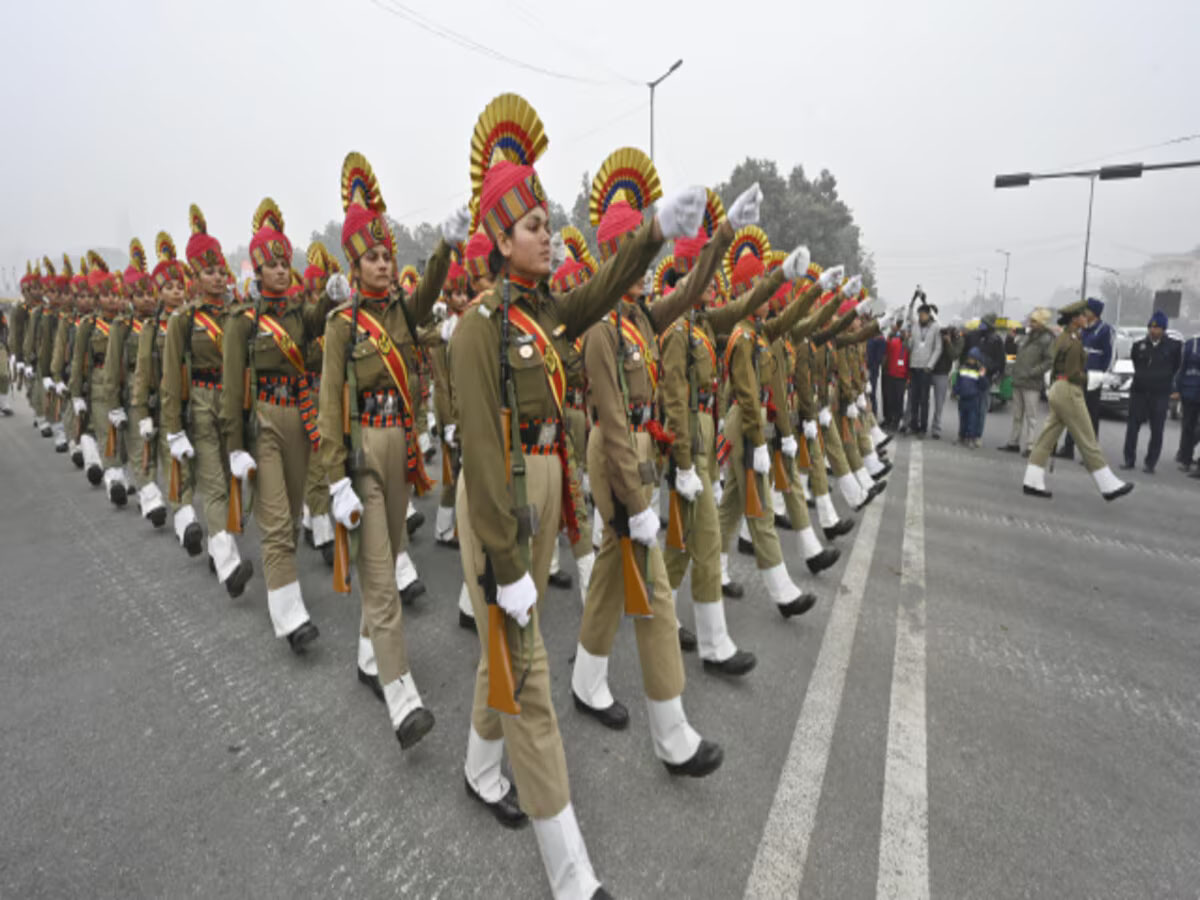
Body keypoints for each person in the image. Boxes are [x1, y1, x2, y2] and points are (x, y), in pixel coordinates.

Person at [452, 93, 703, 899]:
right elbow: (482, 451)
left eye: (550, 222)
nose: (549, 233)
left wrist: (657, 230)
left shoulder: (547, 311)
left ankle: (479, 765)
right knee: (526, 668)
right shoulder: (480, 327)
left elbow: (606, 287)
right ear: (500, 241)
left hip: (543, 487)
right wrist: (502, 561)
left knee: (506, 649)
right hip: (498, 500)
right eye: (534, 226)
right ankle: (571, 873)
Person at [316, 151, 459, 747]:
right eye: (372, 257)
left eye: (386, 254)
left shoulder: (402, 311)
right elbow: (329, 404)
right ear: (354, 264)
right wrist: (334, 479)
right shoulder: (341, 326)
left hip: (401, 447)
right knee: (380, 573)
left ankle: (368, 654)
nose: (382, 263)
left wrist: (446, 247)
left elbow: (431, 288)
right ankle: (400, 693)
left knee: (388, 550)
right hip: (363, 455)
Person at [221, 198, 332, 652]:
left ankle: (284, 587)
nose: (283, 271)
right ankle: (289, 613)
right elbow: (232, 388)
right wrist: (234, 445)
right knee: (274, 518)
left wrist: (333, 295)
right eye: (274, 265)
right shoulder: (242, 322)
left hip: (299, 418)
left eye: (286, 263)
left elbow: (319, 320)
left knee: (291, 510)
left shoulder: (297, 313)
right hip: (264, 421)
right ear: (259, 271)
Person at [161, 204, 254, 596]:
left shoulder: (239, 313)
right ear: (195, 276)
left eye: (220, 270)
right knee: (213, 482)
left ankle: (219, 543)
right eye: (209, 271)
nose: (217, 277)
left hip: (234, 402)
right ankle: (229, 565)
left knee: (234, 480)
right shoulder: (183, 320)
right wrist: (173, 430)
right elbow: (170, 379)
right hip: (200, 401)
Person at [1023, 300, 1132, 501]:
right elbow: (1074, 374)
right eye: (1082, 315)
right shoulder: (1073, 343)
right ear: (1075, 319)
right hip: (1069, 391)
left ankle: (1032, 480)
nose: (1085, 317)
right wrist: (1100, 378)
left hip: (1058, 388)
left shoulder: (1063, 338)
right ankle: (1107, 484)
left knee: (1046, 439)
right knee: (1088, 439)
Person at [1121, 310, 1183, 475]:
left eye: (1157, 328)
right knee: (1132, 427)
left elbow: (1176, 366)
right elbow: (1136, 362)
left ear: (1163, 329)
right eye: (1151, 327)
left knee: (1157, 430)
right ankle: (1129, 459)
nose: (1153, 331)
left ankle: (1150, 463)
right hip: (1139, 392)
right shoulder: (1139, 345)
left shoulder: (1174, 346)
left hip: (1160, 393)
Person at [1056, 297, 1112, 460]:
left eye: (1087, 310)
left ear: (1094, 313)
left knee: (1090, 416)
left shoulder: (1104, 330)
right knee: (1073, 412)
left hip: (1092, 377)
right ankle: (1068, 448)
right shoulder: (1082, 329)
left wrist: (1101, 375)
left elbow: (1109, 356)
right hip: (1078, 375)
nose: (1084, 313)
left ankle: (1090, 452)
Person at [999, 308, 1054, 455]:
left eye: (1034, 321)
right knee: (1017, 415)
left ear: (1042, 323)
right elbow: (1013, 351)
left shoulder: (1047, 339)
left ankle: (1030, 446)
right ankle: (1013, 442)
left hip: (1032, 383)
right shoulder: (1027, 335)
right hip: (1018, 380)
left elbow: (1049, 361)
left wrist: (1033, 372)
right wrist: (1010, 338)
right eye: (1031, 320)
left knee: (1031, 417)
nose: (1031, 323)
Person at [905, 288, 941, 436]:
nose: (921, 316)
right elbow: (909, 314)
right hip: (914, 366)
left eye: (924, 314)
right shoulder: (915, 325)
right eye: (919, 314)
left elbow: (938, 348)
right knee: (913, 398)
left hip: (926, 369)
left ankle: (923, 428)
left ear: (929, 315)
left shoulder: (935, 327)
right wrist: (913, 299)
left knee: (924, 399)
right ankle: (913, 425)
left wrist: (930, 365)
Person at [929, 318, 959, 439]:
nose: (943, 334)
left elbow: (954, 355)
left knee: (939, 403)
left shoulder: (951, 341)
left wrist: (948, 342)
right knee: (920, 399)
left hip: (942, 374)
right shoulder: (933, 337)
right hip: (929, 371)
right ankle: (917, 423)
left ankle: (936, 428)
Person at [1175, 332, 1200, 474]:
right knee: (1188, 427)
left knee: (1194, 428)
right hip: (1190, 392)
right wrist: (1178, 389)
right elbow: (1181, 368)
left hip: (1191, 390)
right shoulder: (1191, 344)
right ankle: (1185, 459)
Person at [954, 347, 987, 447]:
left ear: (977, 360)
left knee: (972, 419)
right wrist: (956, 391)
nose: (971, 360)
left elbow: (983, 386)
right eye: (970, 358)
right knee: (962, 418)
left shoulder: (979, 371)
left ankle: (971, 438)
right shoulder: (963, 368)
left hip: (973, 399)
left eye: (973, 359)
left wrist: (982, 376)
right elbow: (958, 381)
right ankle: (962, 435)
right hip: (963, 397)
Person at [881, 318, 908, 430]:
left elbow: (910, 362)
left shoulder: (909, 345)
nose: (903, 333)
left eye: (905, 332)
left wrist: (909, 378)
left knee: (899, 400)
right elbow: (886, 350)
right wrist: (888, 336)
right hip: (891, 375)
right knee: (890, 399)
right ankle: (889, 419)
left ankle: (897, 420)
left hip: (902, 377)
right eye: (902, 331)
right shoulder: (893, 342)